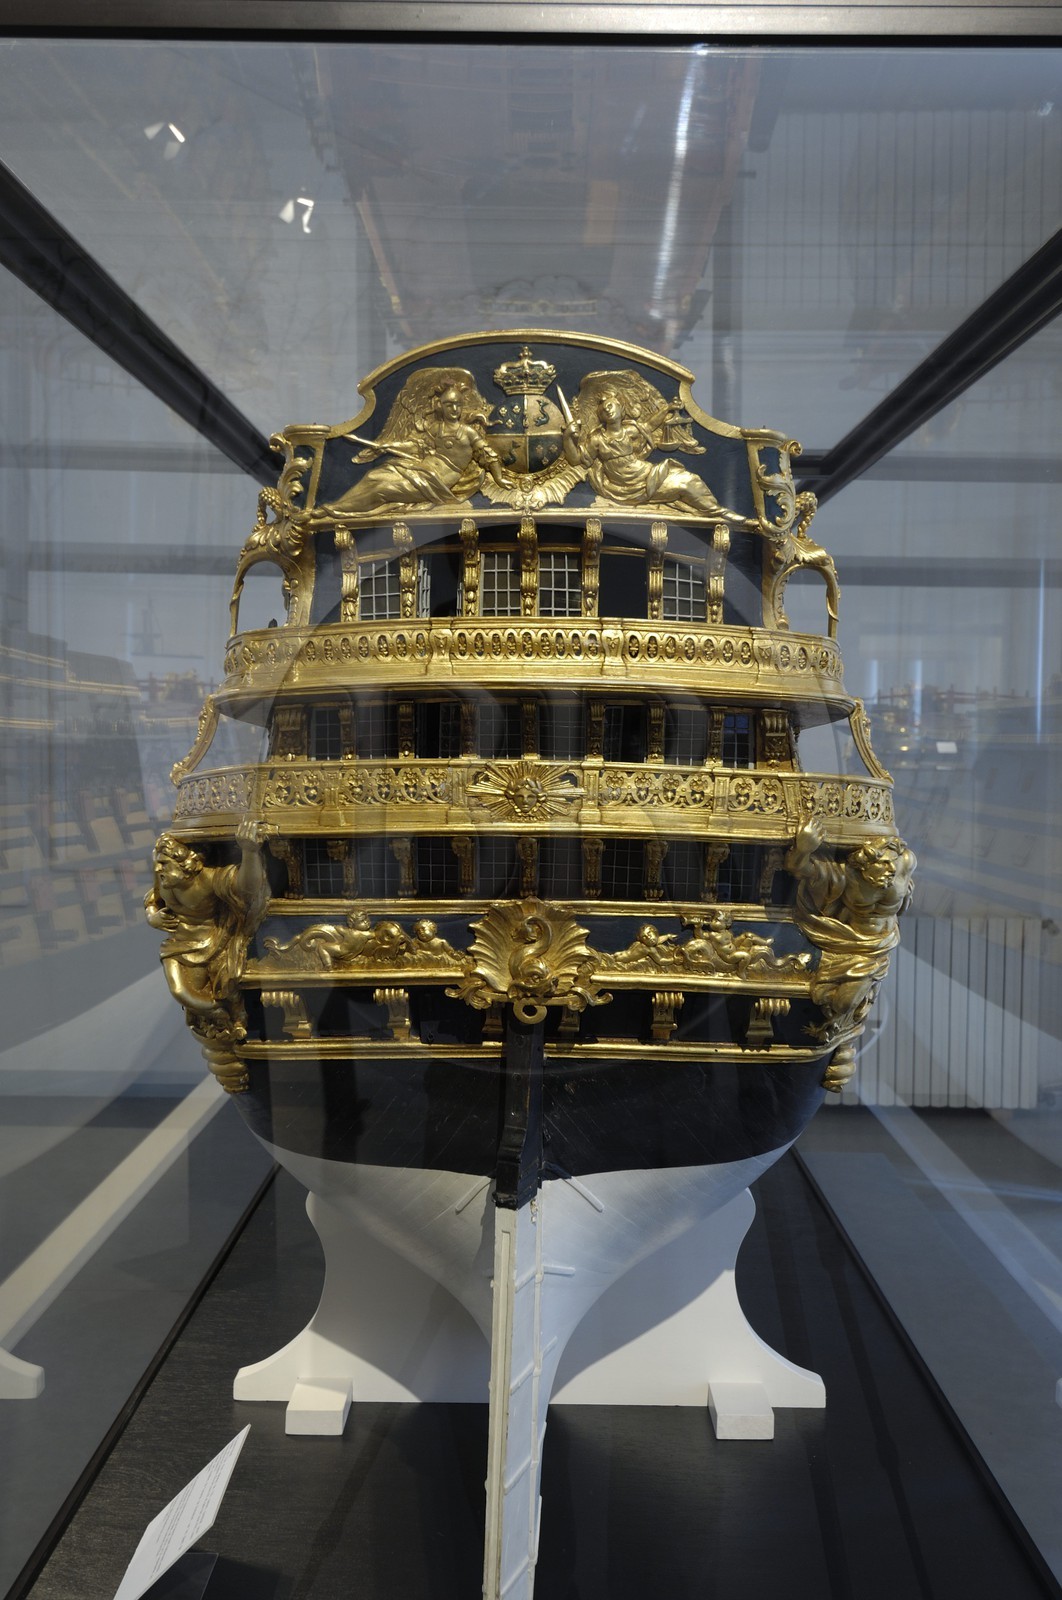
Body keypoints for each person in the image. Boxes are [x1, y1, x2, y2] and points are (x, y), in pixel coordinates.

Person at [326, 369, 510, 515]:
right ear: (440, 406)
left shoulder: (467, 432)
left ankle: (339, 511)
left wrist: (499, 478)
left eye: (458, 405)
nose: (454, 409)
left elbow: (489, 455)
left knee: (383, 489)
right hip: (421, 468)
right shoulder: (436, 428)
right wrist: (388, 446)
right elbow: (416, 445)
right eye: (449, 405)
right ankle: (339, 505)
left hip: (438, 481)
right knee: (373, 476)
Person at [562, 372, 738, 518]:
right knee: (685, 484)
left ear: (621, 409)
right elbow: (577, 459)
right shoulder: (597, 438)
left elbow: (650, 425)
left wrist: (668, 409)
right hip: (626, 485)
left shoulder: (630, 430)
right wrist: (568, 438)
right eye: (603, 409)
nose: (607, 409)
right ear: (599, 416)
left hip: (643, 473)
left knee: (690, 479)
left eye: (610, 405)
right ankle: (719, 512)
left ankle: (714, 511)